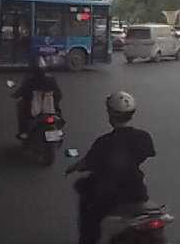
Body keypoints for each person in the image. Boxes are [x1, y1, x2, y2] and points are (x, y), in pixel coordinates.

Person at [65, 91, 155, 244]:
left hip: (109, 195)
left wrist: (73, 167)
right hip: (138, 191)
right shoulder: (143, 136)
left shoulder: (104, 142)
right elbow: (145, 155)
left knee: (90, 216)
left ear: (110, 114)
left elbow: (88, 163)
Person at [11, 56, 62, 139]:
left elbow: (20, 92)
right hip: (51, 111)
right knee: (58, 112)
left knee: (20, 105)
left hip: (34, 112)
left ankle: (24, 132)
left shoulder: (29, 81)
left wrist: (14, 95)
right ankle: (58, 131)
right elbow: (59, 95)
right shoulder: (51, 80)